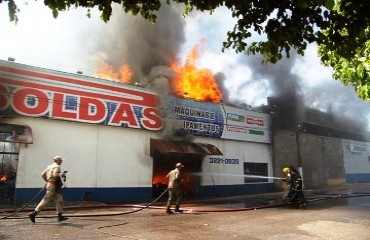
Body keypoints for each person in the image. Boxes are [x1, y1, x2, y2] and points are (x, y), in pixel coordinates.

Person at [28, 156, 69, 223]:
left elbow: (42, 174)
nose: (61, 162)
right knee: (46, 200)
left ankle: (60, 216)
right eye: (61, 160)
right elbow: (55, 174)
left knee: (59, 199)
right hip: (52, 186)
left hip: (52, 185)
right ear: (57, 160)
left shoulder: (49, 166)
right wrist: (62, 174)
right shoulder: (57, 167)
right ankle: (33, 213)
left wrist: (48, 181)